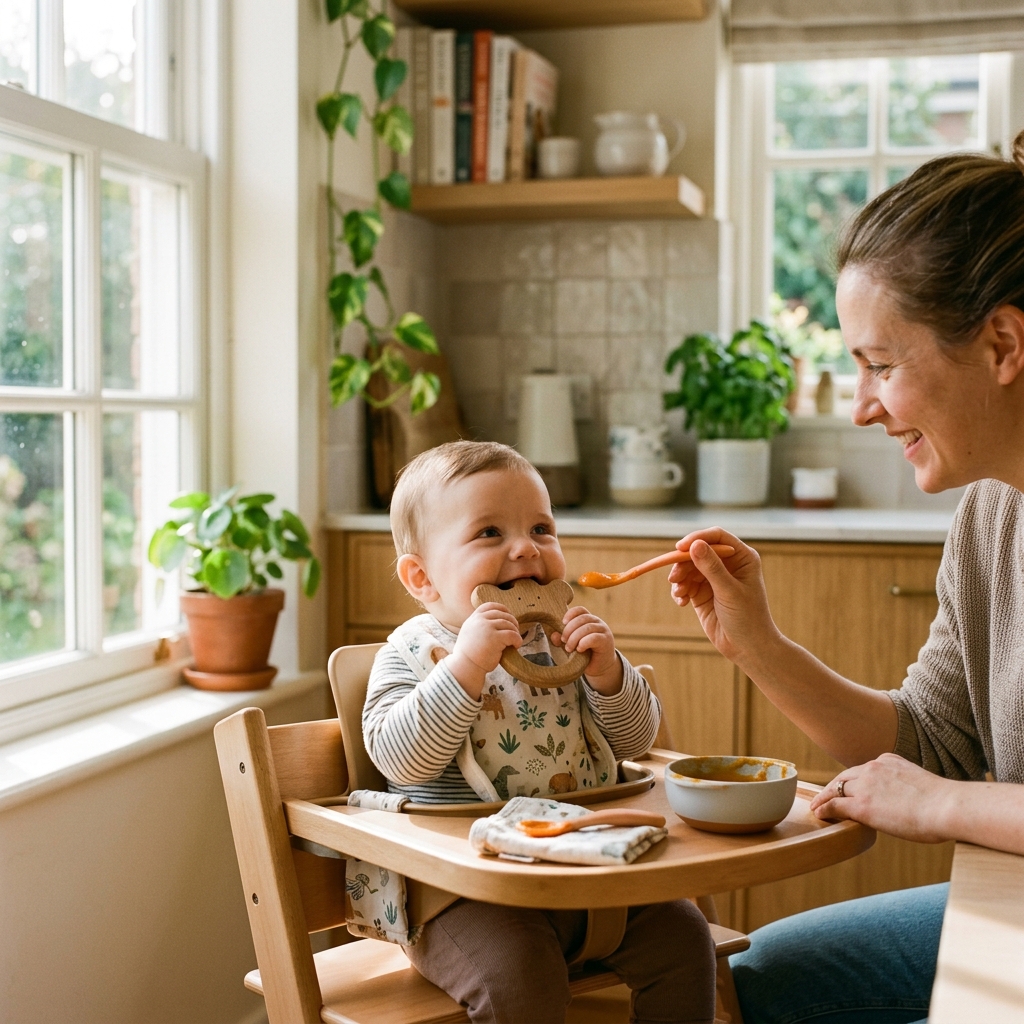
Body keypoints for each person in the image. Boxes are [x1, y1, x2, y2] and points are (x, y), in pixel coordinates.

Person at [666, 128, 1024, 1024]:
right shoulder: (990, 517)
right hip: (1007, 901)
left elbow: (936, 784)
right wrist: (758, 645)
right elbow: (932, 746)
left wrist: (943, 807)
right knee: (753, 985)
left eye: (881, 364)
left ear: (1004, 343)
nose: (862, 404)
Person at [363, 440, 717, 1024]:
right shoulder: (411, 653)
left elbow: (635, 745)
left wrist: (608, 676)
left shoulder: (559, 644)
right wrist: (466, 668)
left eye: (541, 528)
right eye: (489, 534)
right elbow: (400, 762)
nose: (525, 548)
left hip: (586, 869)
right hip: (462, 895)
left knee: (685, 937)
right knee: (518, 979)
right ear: (421, 576)